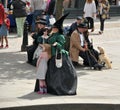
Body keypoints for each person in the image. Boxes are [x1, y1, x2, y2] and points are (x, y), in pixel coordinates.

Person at [45, 13, 77, 95]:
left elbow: (61, 45)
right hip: (52, 55)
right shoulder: (52, 34)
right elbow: (48, 41)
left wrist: (57, 44)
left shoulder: (60, 36)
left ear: (58, 29)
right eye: (53, 27)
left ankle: (60, 88)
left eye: (55, 28)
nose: (53, 29)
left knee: (59, 74)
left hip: (59, 55)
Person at [34, 27, 50, 94]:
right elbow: (39, 43)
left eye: (46, 31)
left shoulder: (49, 38)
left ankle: (42, 90)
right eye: (44, 31)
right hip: (43, 50)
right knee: (43, 79)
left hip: (45, 52)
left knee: (41, 79)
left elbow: (39, 60)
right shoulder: (41, 38)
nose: (45, 32)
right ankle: (44, 90)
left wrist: (37, 65)